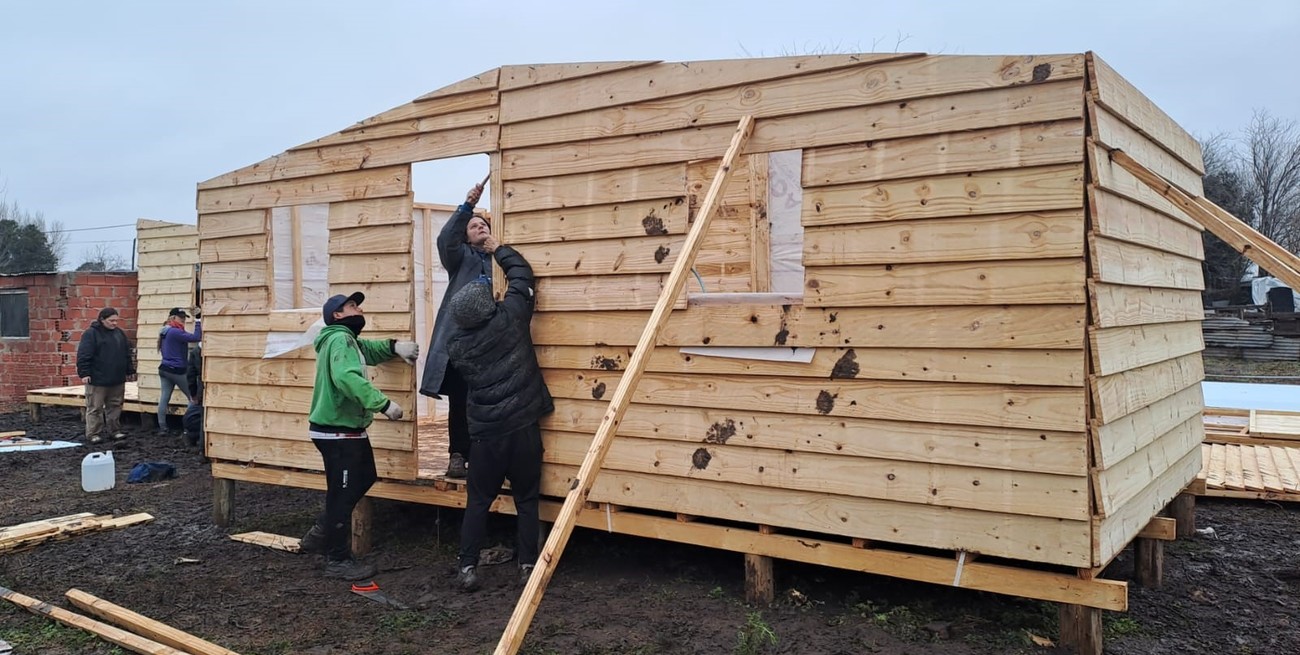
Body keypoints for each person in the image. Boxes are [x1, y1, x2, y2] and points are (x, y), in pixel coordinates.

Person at [444, 241, 553, 592]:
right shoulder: (510, 319)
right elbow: (522, 277)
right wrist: (497, 249)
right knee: (527, 500)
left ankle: (467, 567)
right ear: (488, 307)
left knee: (478, 502)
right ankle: (527, 566)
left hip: (486, 436)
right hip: (522, 429)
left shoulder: (457, 346)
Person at [298, 291, 420, 580]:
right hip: (336, 432)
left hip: (347, 430)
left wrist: (394, 347)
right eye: (352, 305)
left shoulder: (347, 340)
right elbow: (346, 377)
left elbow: (369, 350)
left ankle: (322, 530)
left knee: (364, 477)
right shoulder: (340, 339)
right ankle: (337, 559)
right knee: (341, 495)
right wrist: (383, 404)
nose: (359, 309)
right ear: (337, 314)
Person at [419, 181, 493, 479]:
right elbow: (446, 239)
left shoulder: (499, 258)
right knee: (461, 401)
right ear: (465, 235)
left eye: (483, 224)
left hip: (491, 346)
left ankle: (486, 458)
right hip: (462, 345)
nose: (480, 226)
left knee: (488, 403)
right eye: (474, 226)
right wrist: (467, 206)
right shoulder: (461, 257)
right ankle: (458, 455)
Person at [76, 307, 135, 444]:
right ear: (102, 320)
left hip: (117, 378)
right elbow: (84, 354)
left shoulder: (119, 333)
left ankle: (115, 431)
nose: (114, 323)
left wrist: (129, 370)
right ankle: (93, 433)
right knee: (95, 407)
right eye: (111, 320)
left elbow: (126, 353)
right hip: (97, 379)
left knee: (115, 406)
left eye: (116, 320)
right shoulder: (91, 334)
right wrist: (84, 373)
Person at [156, 307, 202, 436]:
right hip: (177, 370)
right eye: (180, 317)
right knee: (193, 398)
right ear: (173, 318)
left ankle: (162, 427)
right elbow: (196, 337)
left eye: (184, 317)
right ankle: (189, 427)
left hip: (164, 369)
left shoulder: (165, 330)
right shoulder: (175, 332)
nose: (183, 320)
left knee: (164, 398)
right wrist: (198, 320)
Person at [182, 343, 204, 451]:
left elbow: (190, 375)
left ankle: (189, 436)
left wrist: (193, 394)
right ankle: (201, 446)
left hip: (201, 389)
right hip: (211, 389)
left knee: (197, 414)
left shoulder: (195, 351)